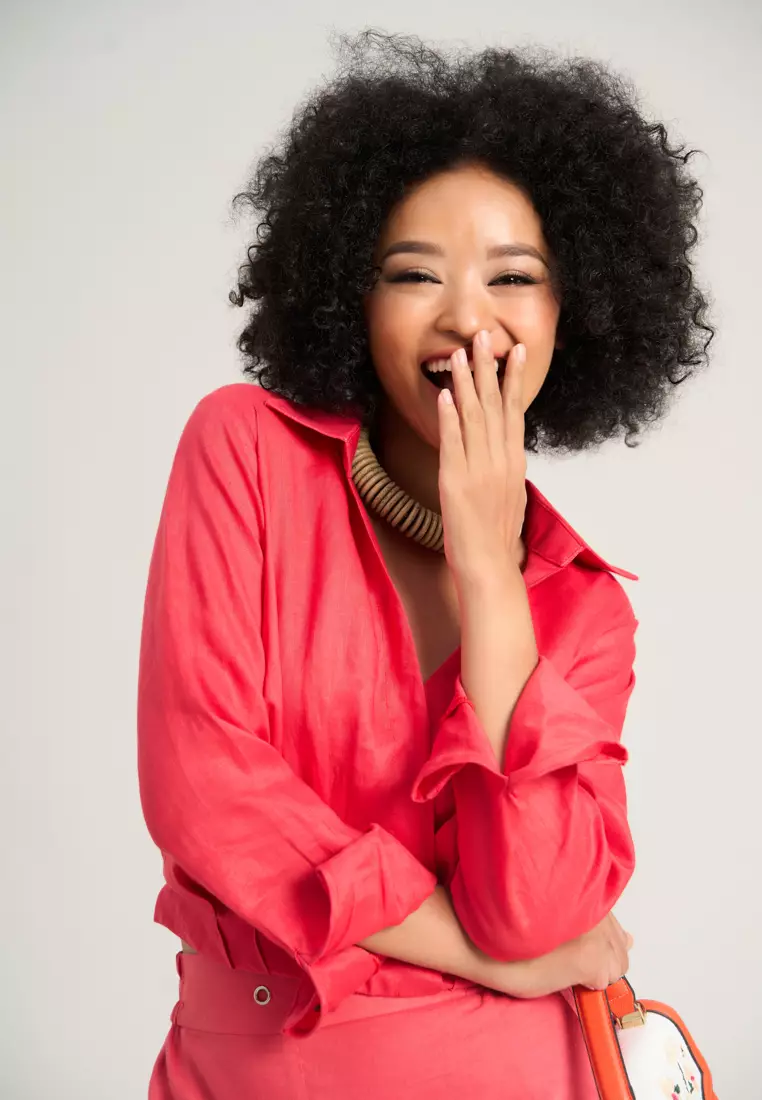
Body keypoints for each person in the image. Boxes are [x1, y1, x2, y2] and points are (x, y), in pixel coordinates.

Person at [137, 30, 715, 1100]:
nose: (465, 315)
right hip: (254, 1066)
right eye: (414, 273)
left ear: (569, 314)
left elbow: (532, 905)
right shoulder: (245, 451)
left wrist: (493, 570)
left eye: (514, 276)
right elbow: (204, 787)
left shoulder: (586, 606)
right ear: (350, 296)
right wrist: (494, 957)